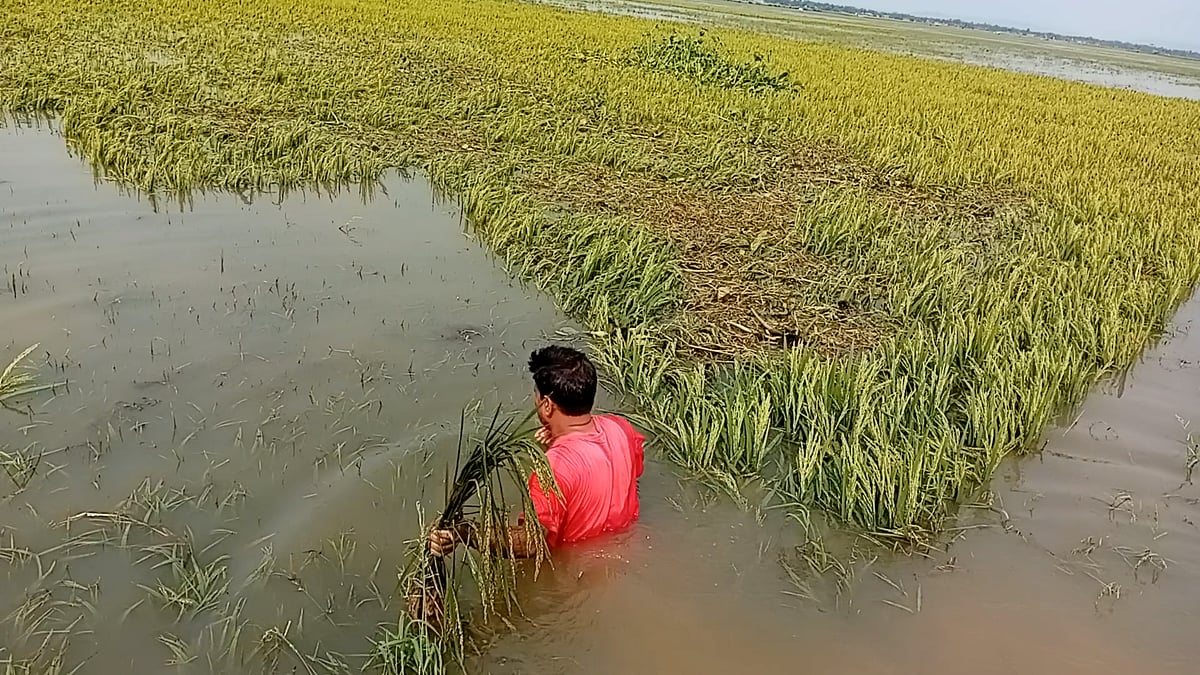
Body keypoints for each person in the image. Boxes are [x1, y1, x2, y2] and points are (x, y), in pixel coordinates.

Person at [428, 345, 644, 558]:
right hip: (625, 548)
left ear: (547, 405)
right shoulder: (621, 428)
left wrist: (466, 533)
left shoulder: (552, 470)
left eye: (536, 396)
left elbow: (531, 543)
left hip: (579, 571)